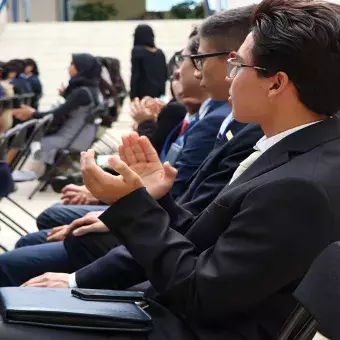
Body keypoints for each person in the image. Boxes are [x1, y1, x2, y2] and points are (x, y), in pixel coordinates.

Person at [2, 0, 340, 339]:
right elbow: (212, 243)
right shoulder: (304, 150)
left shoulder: (299, 186)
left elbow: (200, 293)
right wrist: (155, 199)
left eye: (237, 65)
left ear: (276, 84)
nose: (229, 76)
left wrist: (132, 204)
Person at [0, 8, 260, 287]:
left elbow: (191, 239)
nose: (192, 71)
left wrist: (121, 215)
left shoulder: (230, 128)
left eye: (195, 60)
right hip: (158, 238)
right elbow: (189, 209)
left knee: (39, 241)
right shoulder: (227, 124)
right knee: (57, 227)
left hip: (157, 264)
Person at [12, 53, 101, 167]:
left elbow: (57, 113)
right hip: (83, 135)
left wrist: (32, 113)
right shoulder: (91, 88)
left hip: (73, 138)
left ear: (82, 68)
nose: (69, 67)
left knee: (41, 142)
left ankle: (34, 174)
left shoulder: (82, 92)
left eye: (73, 64)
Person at [130, 24, 167, 100]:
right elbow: (164, 76)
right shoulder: (160, 53)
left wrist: (133, 96)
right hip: (159, 96)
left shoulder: (137, 51)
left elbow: (135, 76)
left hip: (142, 97)